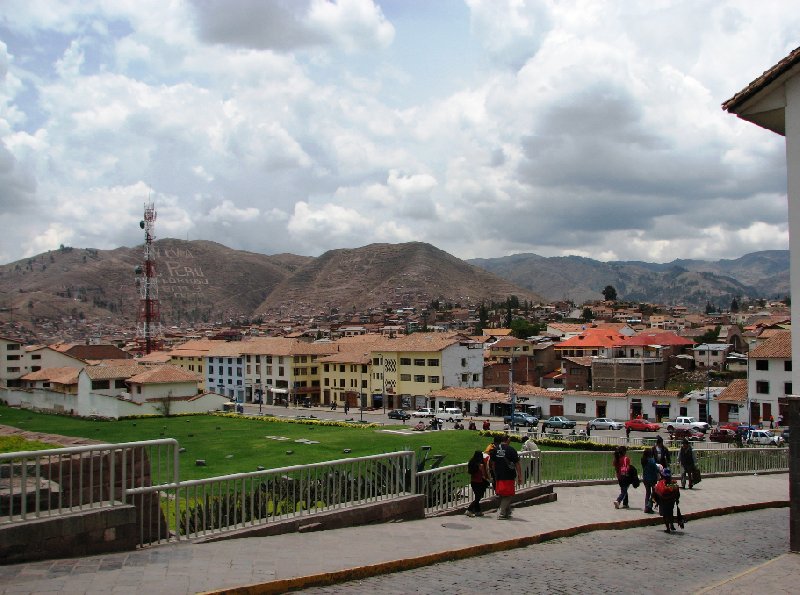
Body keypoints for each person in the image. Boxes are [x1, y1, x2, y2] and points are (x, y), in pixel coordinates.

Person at [489, 435, 522, 519]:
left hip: (499, 475)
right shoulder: (511, 450)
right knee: (508, 494)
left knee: (503, 494)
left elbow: (492, 463)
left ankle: (507, 511)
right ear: (507, 440)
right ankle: (501, 513)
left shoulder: (495, 449)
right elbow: (517, 464)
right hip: (508, 475)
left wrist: (495, 473)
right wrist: (520, 476)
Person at [654, 468, 681, 533]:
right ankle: (671, 524)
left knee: (665, 515)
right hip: (671, 502)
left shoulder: (661, 484)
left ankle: (668, 528)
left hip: (664, 502)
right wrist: (677, 500)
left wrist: (656, 501)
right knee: (670, 513)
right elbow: (677, 493)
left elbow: (657, 492)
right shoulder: (673, 483)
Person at [466, 450, 489, 517]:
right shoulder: (480, 465)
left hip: (473, 482)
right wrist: (489, 479)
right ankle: (469, 510)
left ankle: (478, 511)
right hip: (479, 482)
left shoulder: (471, 463)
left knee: (477, 496)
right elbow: (483, 475)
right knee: (478, 497)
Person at [641, 447, 659, 513]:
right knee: (654, 493)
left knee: (647, 493)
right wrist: (659, 469)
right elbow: (656, 468)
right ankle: (649, 506)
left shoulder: (643, 460)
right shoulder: (651, 460)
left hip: (645, 478)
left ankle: (646, 507)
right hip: (652, 479)